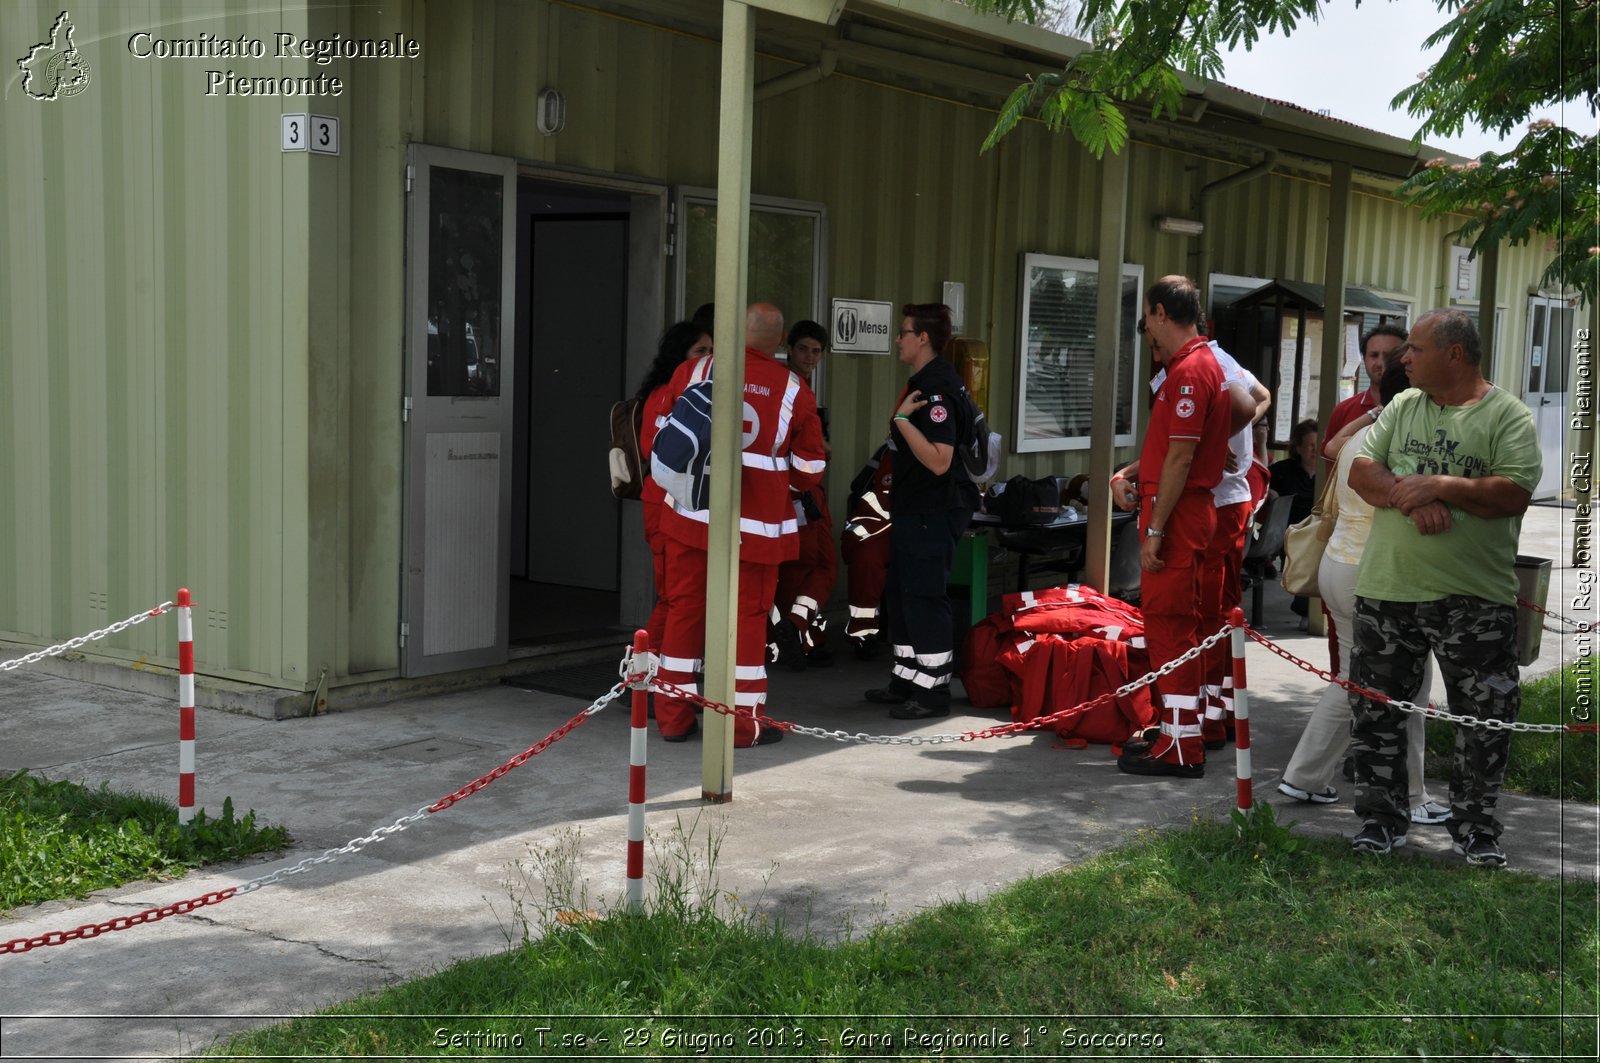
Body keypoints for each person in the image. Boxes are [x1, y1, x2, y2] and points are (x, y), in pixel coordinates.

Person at [1346, 309, 1541, 866]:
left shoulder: (1507, 416)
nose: (1403, 359)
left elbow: (1512, 494)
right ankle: (1381, 823)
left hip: (1474, 600)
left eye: (1415, 349)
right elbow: (1361, 470)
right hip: (1389, 590)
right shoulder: (1405, 405)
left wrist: (1444, 485)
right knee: (1377, 714)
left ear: (1454, 355)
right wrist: (1421, 497)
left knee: (1481, 720)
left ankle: (1476, 830)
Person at [1277, 360, 1449, 825]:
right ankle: (1412, 797)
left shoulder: (1363, 433)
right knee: (1409, 684)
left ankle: (1305, 777)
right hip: (1374, 575)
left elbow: (1330, 445)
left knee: (1355, 679)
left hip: (1338, 566)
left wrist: (1375, 410)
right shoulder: (1404, 439)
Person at [653, 302, 828, 747]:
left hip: (691, 516)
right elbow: (809, 469)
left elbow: (663, 435)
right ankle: (742, 725)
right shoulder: (793, 388)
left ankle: (673, 717)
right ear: (779, 342)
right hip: (757, 529)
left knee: (684, 611)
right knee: (747, 621)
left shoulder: (696, 371)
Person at [1107, 276, 1235, 777]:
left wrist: (1156, 530)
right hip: (1183, 508)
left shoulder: (1189, 372)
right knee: (1182, 626)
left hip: (1177, 516)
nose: (1148, 334)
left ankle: (1180, 747)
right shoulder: (1203, 366)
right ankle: (1181, 733)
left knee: (1170, 627)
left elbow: (1181, 457)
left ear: (1161, 312)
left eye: (1147, 320)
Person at [863, 303, 980, 719]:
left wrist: (902, 421)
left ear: (923, 338)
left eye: (904, 332)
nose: (898, 339)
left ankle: (932, 693)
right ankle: (906, 680)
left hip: (934, 509)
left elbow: (939, 460)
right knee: (901, 594)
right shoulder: (924, 381)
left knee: (925, 597)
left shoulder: (937, 390)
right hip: (913, 509)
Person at [636, 322, 713, 652]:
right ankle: (643, 682)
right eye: (700, 352)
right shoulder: (666, 394)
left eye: (712, 352)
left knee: (688, 598)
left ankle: (668, 681)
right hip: (664, 507)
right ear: (679, 357)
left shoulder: (695, 393)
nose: (707, 360)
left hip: (685, 508)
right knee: (673, 598)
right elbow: (652, 451)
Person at [770, 320, 838, 669]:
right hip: (797, 491)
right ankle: (792, 633)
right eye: (803, 349)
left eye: (816, 351)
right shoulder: (789, 387)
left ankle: (799, 634)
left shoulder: (800, 386)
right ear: (789, 348)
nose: (810, 356)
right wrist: (820, 449)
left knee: (813, 566)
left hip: (804, 492)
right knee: (808, 566)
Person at [1323, 324, 1408, 463]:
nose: (1380, 363)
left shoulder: (1419, 407)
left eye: (1389, 356)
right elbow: (1332, 466)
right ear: (1364, 358)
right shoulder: (1343, 410)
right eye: (1374, 355)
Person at [1271, 418, 1320, 621]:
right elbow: (1261, 482)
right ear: (1298, 448)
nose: (1314, 451)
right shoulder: (1283, 471)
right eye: (1310, 446)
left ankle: (1308, 612)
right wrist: (1271, 494)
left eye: (1318, 446)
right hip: (1291, 535)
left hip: (1319, 534)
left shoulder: (1329, 472)